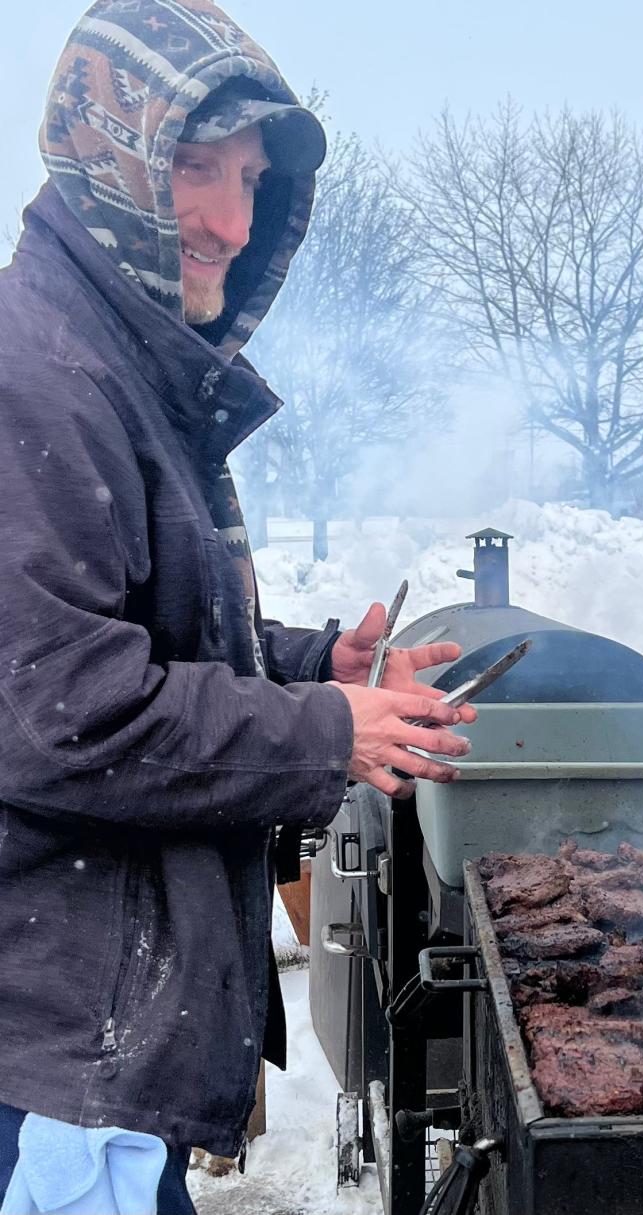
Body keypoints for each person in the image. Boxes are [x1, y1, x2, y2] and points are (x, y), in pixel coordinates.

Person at [0, 1, 475, 1210]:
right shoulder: (35, 380)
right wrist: (325, 733)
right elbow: (62, 714)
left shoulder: (113, 360)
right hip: (58, 1046)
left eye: (252, 179)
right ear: (104, 155)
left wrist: (317, 666)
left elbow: (132, 624)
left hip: (99, 1022)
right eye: (192, 169)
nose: (228, 220)